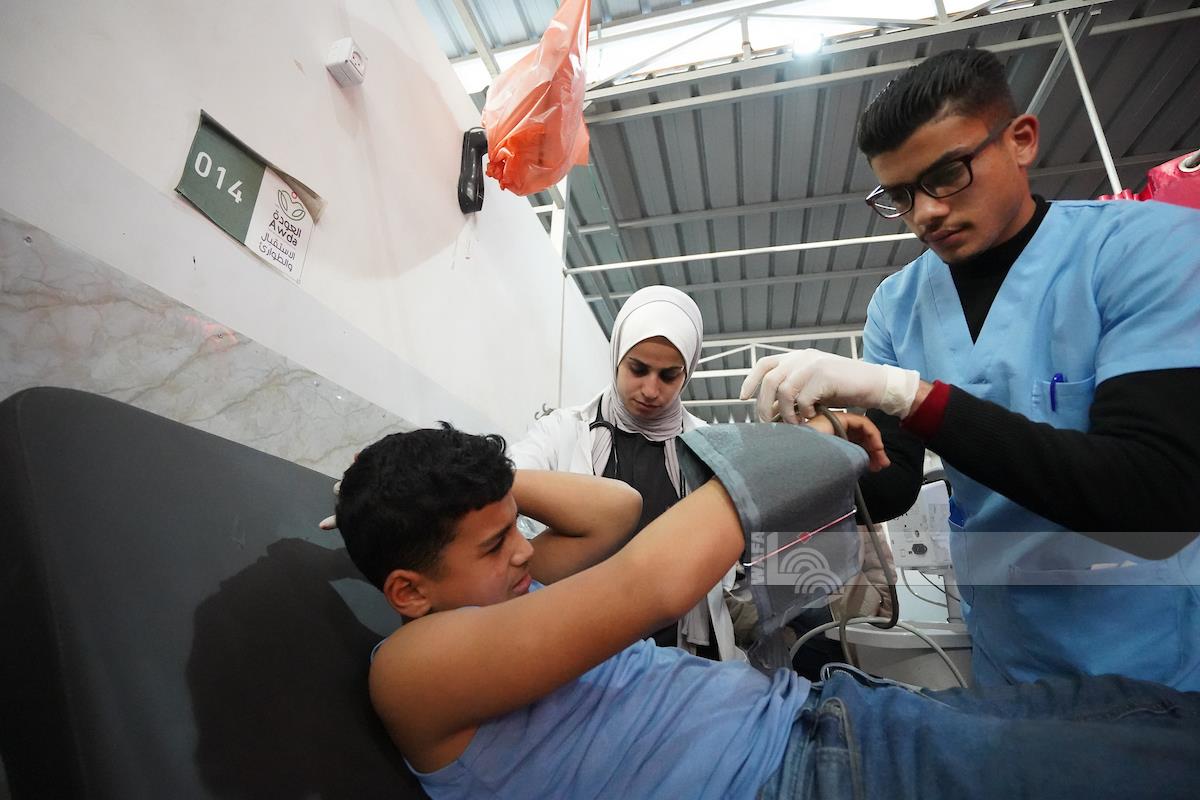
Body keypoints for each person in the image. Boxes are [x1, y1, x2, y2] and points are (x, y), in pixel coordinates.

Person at [335, 424, 1200, 800]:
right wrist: (803, 447)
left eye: (512, 531)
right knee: (1139, 769)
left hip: (824, 722)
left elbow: (613, 512)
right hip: (795, 777)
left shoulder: (504, 594)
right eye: (495, 544)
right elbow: (653, 583)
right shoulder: (416, 672)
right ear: (407, 591)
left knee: (1128, 713)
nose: (523, 551)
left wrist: (476, 483)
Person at [739, 48, 1200, 690]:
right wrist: (826, 450)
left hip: (1149, 652)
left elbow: (1156, 502)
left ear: (1021, 140)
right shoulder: (898, 305)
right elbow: (894, 485)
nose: (925, 212)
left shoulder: (1143, 248)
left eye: (947, 175)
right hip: (1009, 650)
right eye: (900, 195)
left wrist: (906, 394)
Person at [508, 285, 741, 661]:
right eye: (638, 369)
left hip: (675, 645)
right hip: (581, 637)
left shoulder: (711, 448)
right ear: (617, 357)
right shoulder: (562, 431)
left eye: (668, 376)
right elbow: (505, 481)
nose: (650, 389)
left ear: (687, 373)